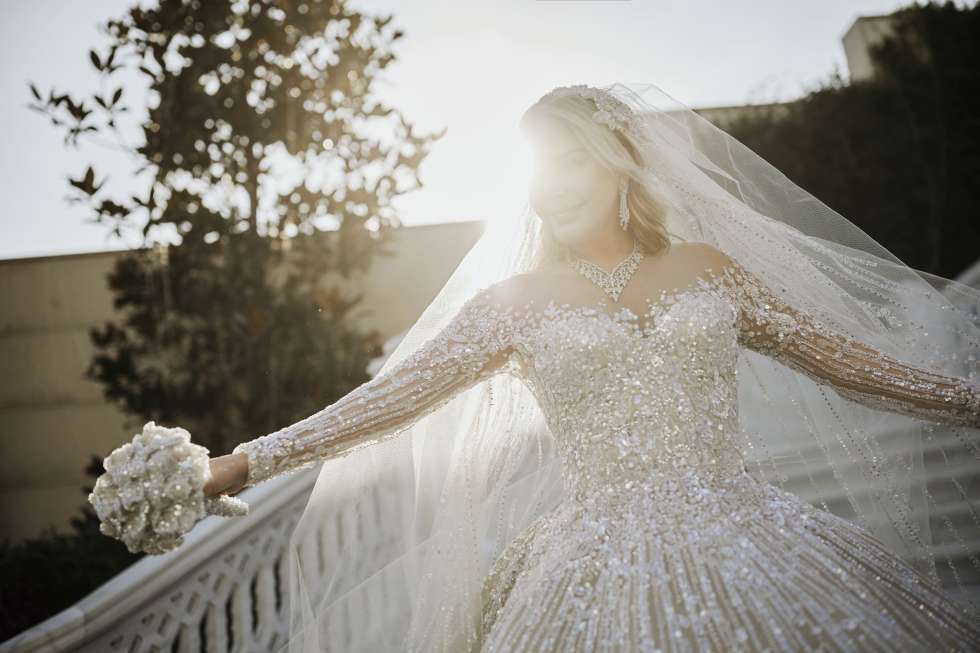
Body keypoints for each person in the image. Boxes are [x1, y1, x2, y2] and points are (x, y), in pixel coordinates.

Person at [205, 83, 980, 652]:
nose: (556, 183)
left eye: (573, 159)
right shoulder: (513, 302)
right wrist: (244, 461)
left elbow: (846, 363)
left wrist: (967, 401)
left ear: (621, 164)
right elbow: (384, 403)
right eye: (542, 168)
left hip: (759, 539)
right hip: (594, 570)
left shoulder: (709, 269)